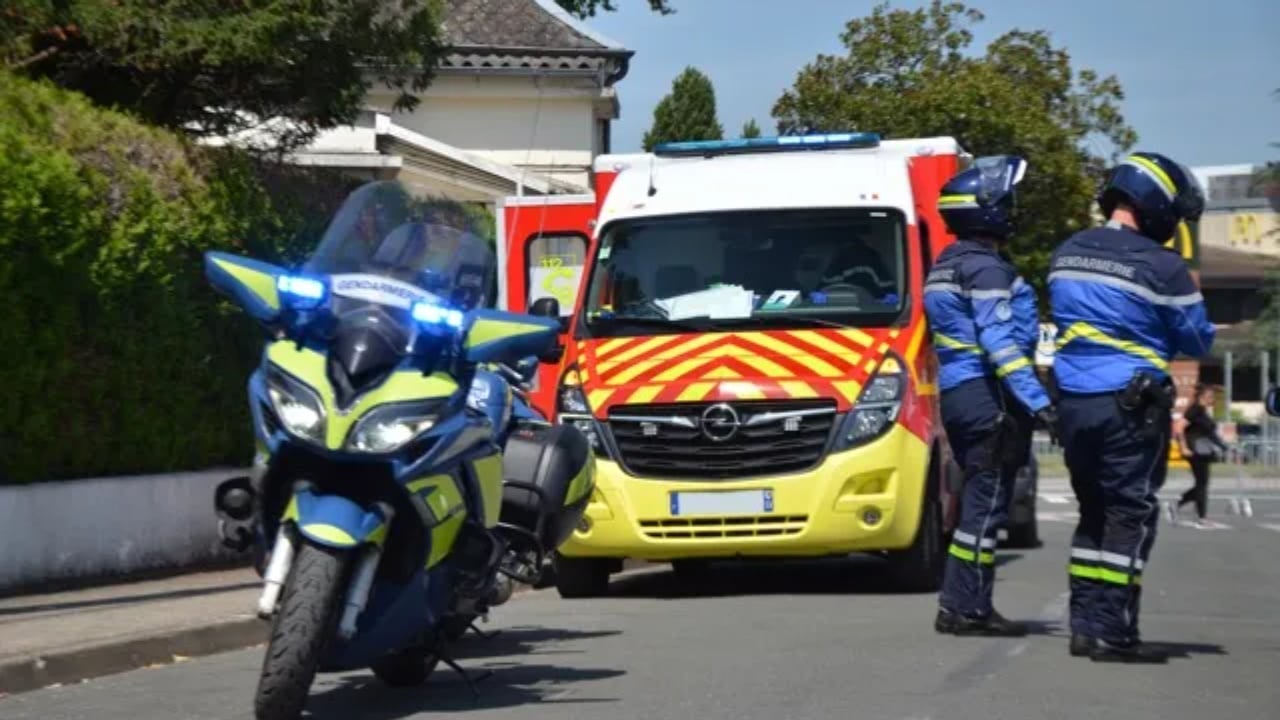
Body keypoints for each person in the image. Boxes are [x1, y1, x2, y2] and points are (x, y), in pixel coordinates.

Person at [1048, 151, 1213, 663]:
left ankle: (1082, 626)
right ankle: (1112, 633)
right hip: (1130, 404)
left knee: (1091, 513)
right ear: (1155, 204)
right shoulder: (1162, 266)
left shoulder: (1067, 251)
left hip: (1073, 402)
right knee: (1127, 514)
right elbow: (1197, 339)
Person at [924, 155, 1059, 637]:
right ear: (989, 211)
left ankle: (958, 602)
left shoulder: (946, 266)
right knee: (988, 505)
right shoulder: (988, 271)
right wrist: (1042, 404)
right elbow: (1001, 346)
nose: (1014, 208)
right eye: (1008, 201)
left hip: (958, 396)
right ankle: (968, 609)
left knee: (973, 506)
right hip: (989, 397)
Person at [1168, 384, 1228, 527]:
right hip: (1195, 451)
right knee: (1202, 484)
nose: (1212, 399)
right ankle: (1201, 517)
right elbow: (1178, 427)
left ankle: (1179, 504)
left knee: (1202, 483)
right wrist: (1184, 447)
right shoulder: (1195, 410)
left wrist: (1222, 447)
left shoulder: (1202, 411)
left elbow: (1209, 433)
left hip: (1204, 451)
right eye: (1211, 397)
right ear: (1203, 397)